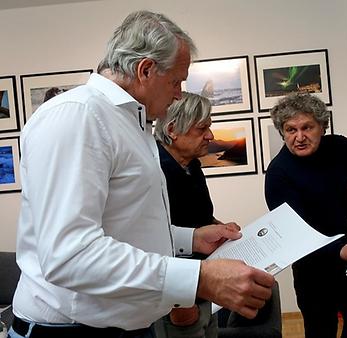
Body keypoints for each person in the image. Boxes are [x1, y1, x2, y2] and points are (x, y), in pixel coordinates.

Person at [10, 10, 274, 338]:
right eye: (176, 81)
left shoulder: (129, 124)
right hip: (71, 330)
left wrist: (189, 238)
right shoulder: (78, 117)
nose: (179, 93)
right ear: (145, 69)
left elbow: (121, 226)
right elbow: (70, 254)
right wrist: (199, 278)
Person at [265, 92, 347, 338]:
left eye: (307, 127)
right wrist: (338, 250)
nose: (299, 137)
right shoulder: (278, 173)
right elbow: (295, 233)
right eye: (290, 130)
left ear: (322, 127)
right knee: (321, 331)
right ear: (282, 132)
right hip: (313, 270)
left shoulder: (338, 146)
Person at [153, 91, 220, 338]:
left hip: (201, 288)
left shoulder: (191, 165)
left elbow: (197, 217)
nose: (210, 136)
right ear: (172, 130)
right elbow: (152, 241)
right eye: (202, 128)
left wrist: (219, 227)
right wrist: (178, 302)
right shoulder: (154, 172)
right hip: (179, 299)